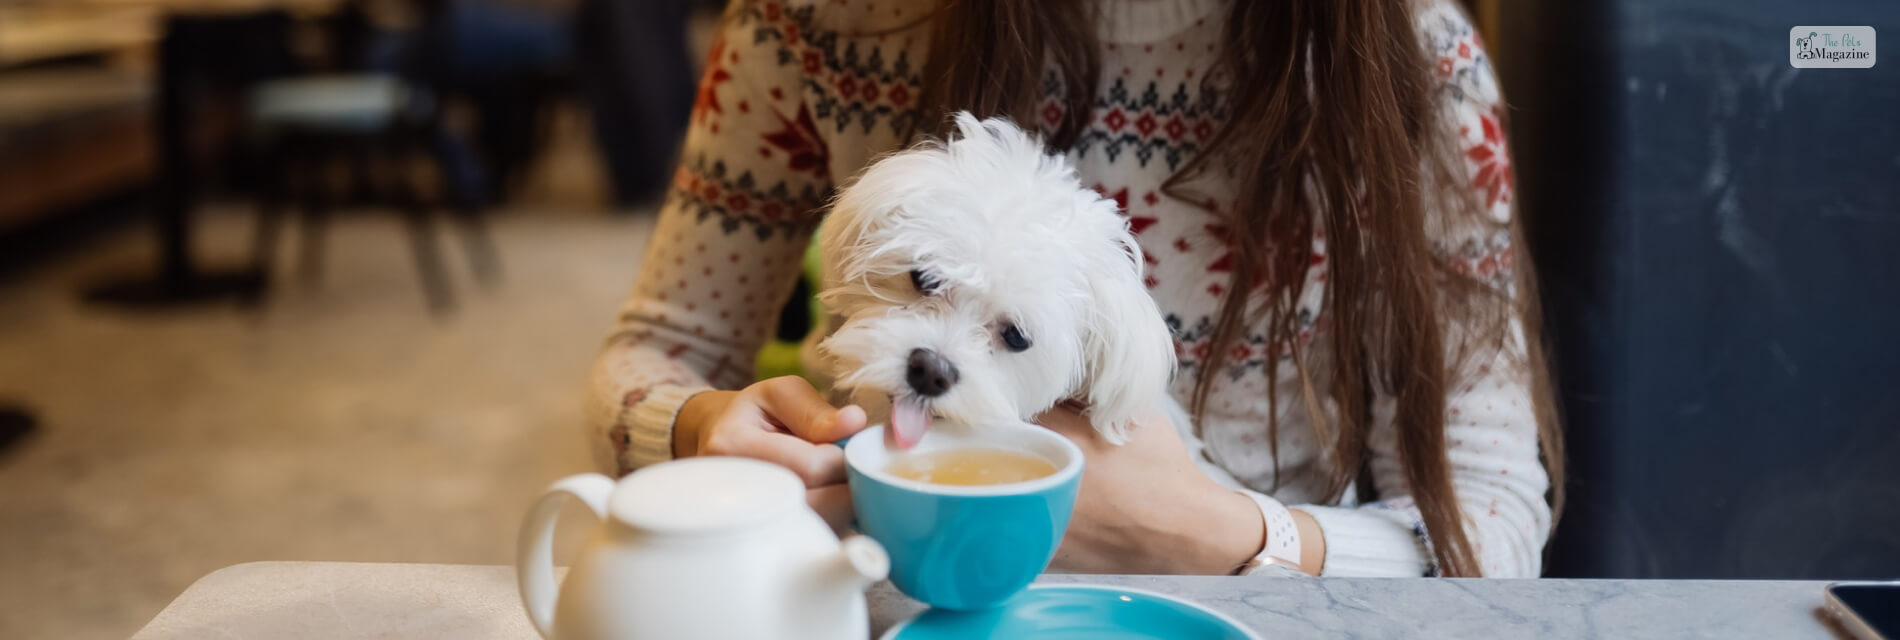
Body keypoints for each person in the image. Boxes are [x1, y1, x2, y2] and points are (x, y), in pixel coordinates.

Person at [585, 0, 1564, 579]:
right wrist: (699, 423)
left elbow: (1490, 525)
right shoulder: (819, 19)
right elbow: (656, 349)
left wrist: (1209, 532)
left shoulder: (1413, 60)